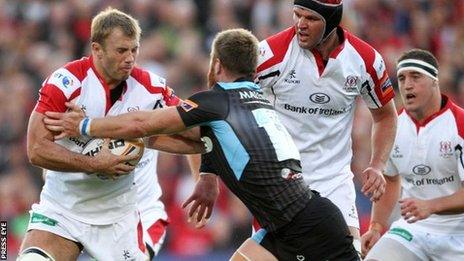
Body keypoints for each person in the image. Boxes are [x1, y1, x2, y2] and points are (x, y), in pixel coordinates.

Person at [44, 28, 359, 261]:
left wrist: (85, 125)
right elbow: (212, 138)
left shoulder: (216, 102)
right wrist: (207, 176)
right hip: (289, 224)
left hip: (308, 227)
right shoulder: (258, 101)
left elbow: (142, 123)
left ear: (217, 65)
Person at [21, 7, 211, 261]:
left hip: (119, 219)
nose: (130, 58)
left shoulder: (151, 89)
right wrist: (93, 164)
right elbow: (35, 149)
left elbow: (197, 133)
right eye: (121, 50)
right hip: (63, 209)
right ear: (96, 49)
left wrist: (206, 173)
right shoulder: (66, 83)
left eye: (134, 50)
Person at [254, 0, 398, 253]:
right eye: (297, 15)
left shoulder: (364, 60)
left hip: (334, 182)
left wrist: (377, 164)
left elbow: (386, 115)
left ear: (332, 21)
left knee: (350, 255)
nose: (300, 25)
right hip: (279, 183)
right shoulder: (270, 54)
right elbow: (228, 93)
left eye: (310, 18)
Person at [361, 49, 464, 260]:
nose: (407, 85)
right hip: (412, 230)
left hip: (458, 233)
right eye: (401, 78)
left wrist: (431, 206)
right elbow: (389, 179)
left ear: (435, 80)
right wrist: (377, 226)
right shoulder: (393, 127)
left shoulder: (460, 125)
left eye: (415, 77)